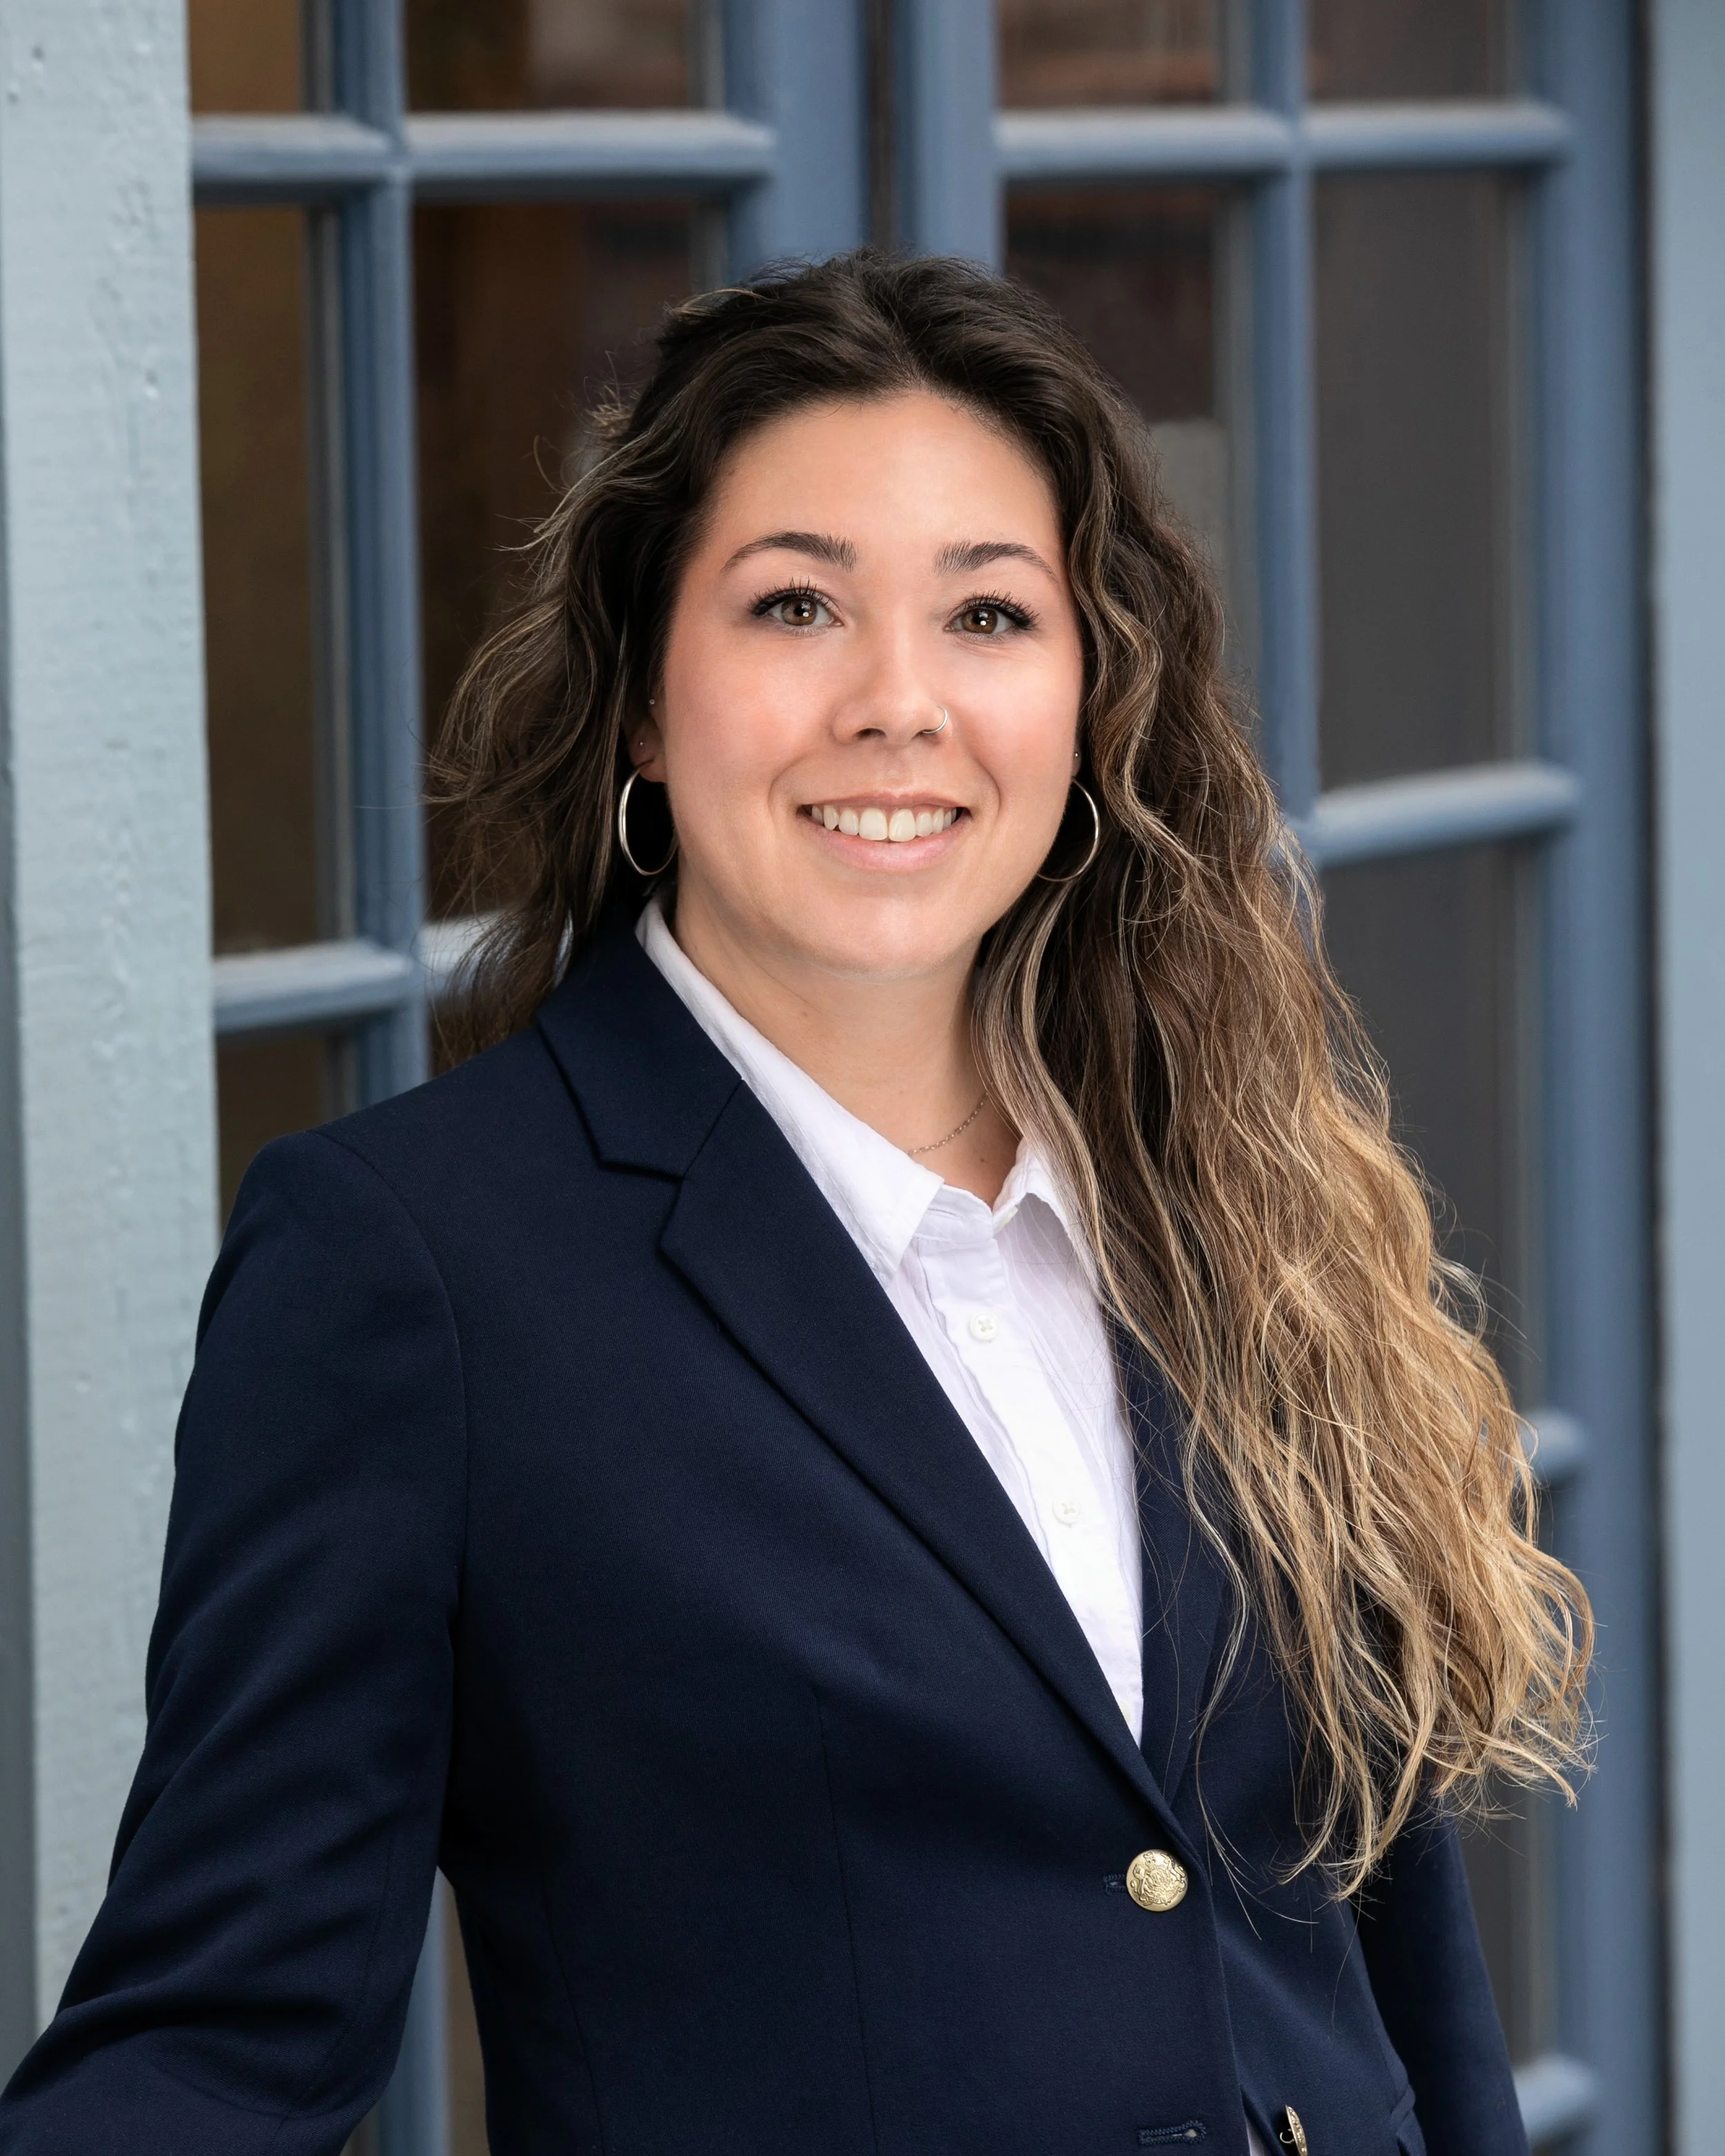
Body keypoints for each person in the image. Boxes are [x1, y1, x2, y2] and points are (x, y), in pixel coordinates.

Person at [0, 250, 1587, 2156]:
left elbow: (1387, 1957)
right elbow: (213, 2053)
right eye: (796, 605)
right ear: (647, 703)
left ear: (1090, 696)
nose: (896, 703)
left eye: (988, 612)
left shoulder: (1222, 1192)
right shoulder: (410, 1267)